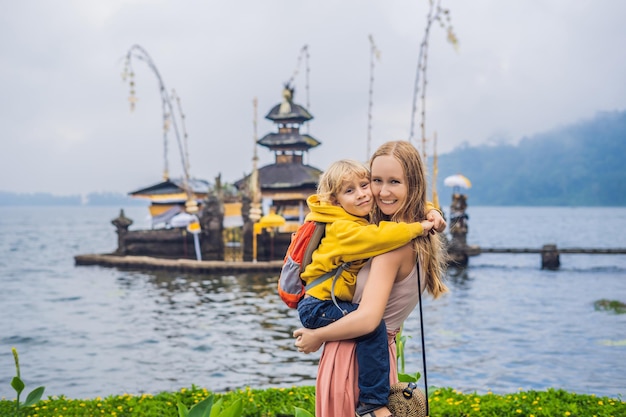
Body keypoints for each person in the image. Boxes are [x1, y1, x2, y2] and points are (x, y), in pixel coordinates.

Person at [294, 140, 449, 417]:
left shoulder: (392, 246)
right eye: (376, 180)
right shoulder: (411, 237)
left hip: (352, 361)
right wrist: (432, 212)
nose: (381, 191)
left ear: (412, 186)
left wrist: (316, 336)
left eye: (394, 182)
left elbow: (368, 319)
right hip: (373, 359)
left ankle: (373, 406)